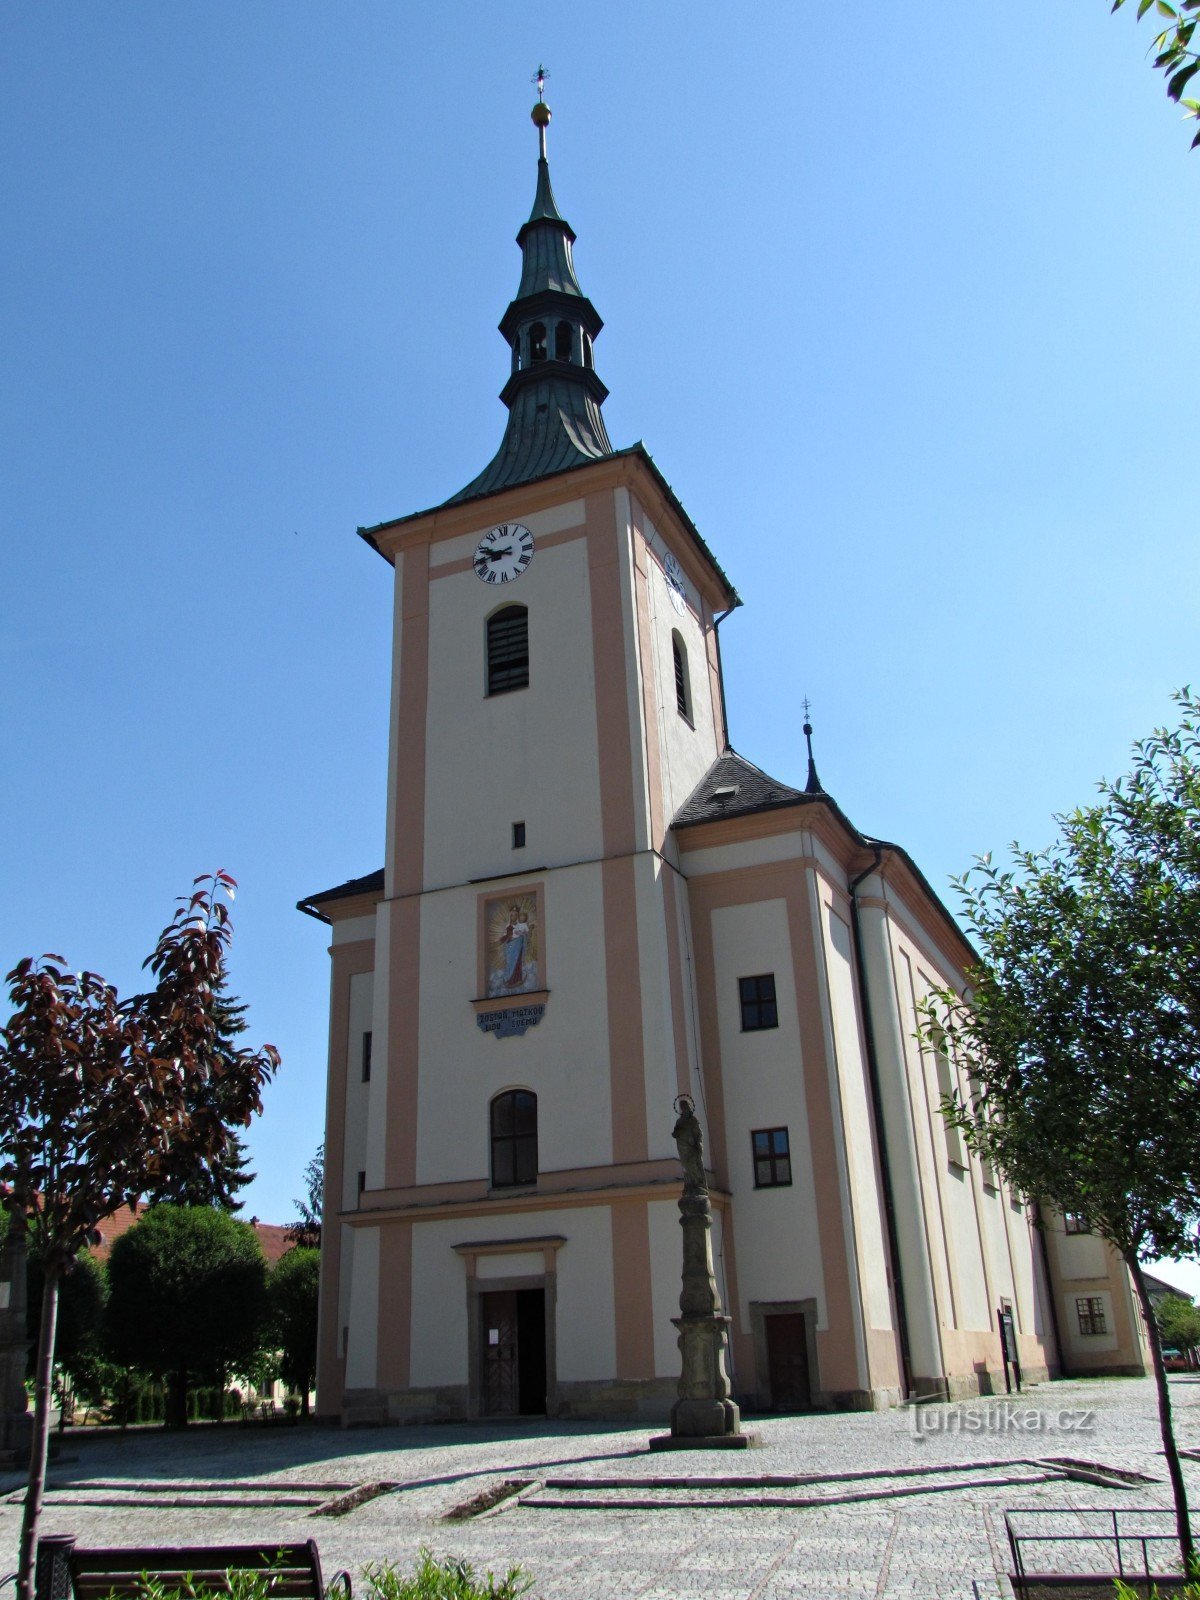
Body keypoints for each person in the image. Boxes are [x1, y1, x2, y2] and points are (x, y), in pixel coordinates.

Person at [672, 1097, 708, 1194]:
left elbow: (699, 1133)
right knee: (686, 1166)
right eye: (682, 1107)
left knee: (693, 1164)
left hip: (692, 1146)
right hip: (683, 1147)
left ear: (689, 1107)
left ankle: (698, 1183)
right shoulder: (679, 1121)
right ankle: (690, 1184)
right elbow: (675, 1134)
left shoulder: (693, 1120)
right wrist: (676, 1132)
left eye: (685, 1106)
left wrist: (698, 1143)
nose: (684, 1108)